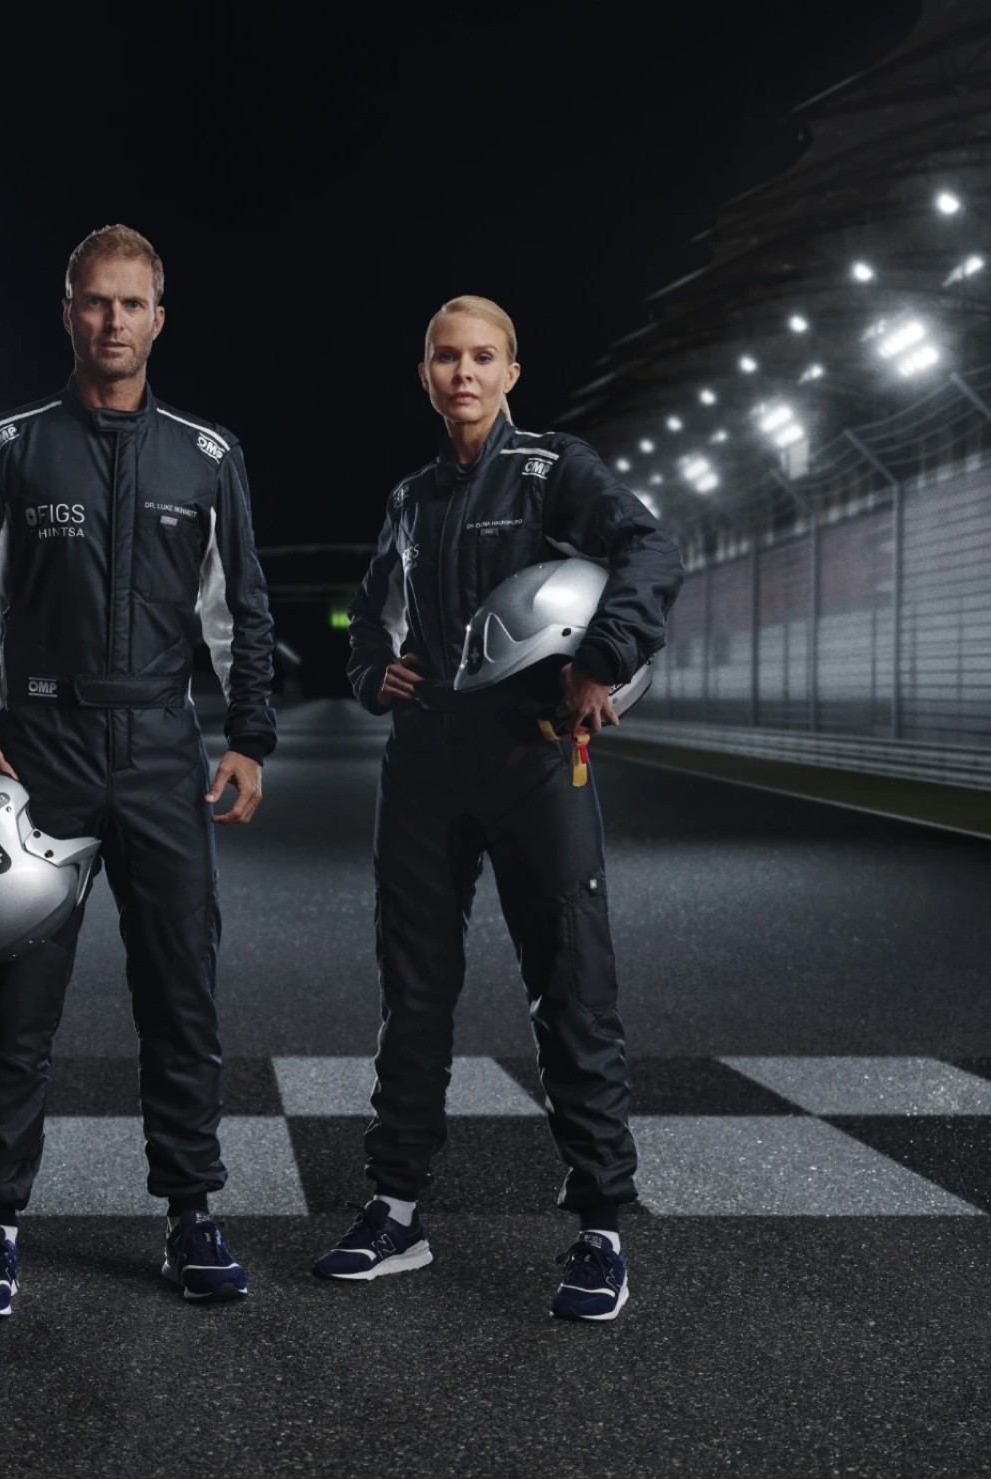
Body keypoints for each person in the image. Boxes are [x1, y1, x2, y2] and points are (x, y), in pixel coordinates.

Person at [314, 295, 681, 1321]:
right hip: (425, 764)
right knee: (414, 993)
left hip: (534, 755)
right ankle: (396, 1211)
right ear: (425, 374)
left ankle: (600, 1228)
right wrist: (371, 672)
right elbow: (369, 613)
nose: (463, 373)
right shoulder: (409, 497)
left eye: (482, 357)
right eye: (446, 357)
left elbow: (652, 550)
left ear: (511, 372)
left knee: (572, 984)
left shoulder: (556, 469)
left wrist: (603, 659)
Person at [0, 225, 277, 1318]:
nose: (113, 320)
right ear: (69, 312)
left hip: (165, 754)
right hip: (42, 754)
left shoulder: (208, 457)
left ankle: (192, 1213)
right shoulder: (8, 449)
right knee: (16, 1004)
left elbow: (239, 610)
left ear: (159, 319)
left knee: (180, 993)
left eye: (132, 303)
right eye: (95, 301)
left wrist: (250, 737)